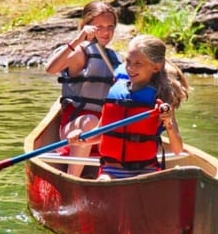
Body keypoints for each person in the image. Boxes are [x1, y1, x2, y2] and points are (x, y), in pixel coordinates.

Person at [67, 34, 189, 180]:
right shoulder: (116, 93)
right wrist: (80, 138)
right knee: (104, 182)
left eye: (138, 64)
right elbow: (99, 135)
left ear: (156, 67)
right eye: (128, 61)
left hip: (145, 170)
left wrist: (168, 122)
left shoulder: (161, 100)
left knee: (144, 184)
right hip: (111, 170)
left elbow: (177, 149)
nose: (130, 68)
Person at [45, 0, 124, 177]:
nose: (105, 32)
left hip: (104, 130)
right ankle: (73, 179)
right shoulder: (81, 51)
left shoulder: (115, 58)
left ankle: (124, 177)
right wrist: (79, 39)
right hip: (75, 130)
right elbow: (50, 69)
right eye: (99, 26)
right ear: (86, 26)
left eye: (110, 26)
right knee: (89, 122)